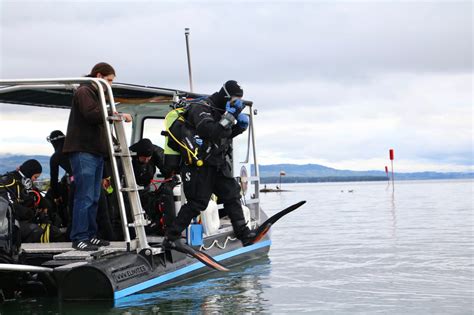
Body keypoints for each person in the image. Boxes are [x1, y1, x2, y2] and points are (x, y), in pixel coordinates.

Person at [164, 80, 255, 247]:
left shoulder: (223, 111)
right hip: (201, 164)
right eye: (235, 99)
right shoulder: (201, 108)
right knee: (197, 203)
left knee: (232, 195)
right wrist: (230, 116)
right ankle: (171, 236)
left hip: (218, 161)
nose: (237, 104)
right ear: (226, 96)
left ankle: (244, 232)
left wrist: (238, 127)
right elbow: (211, 132)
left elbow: (223, 136)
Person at [63, 62, 132, 251]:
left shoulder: (97, 95)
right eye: (109, 80)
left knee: (93, 196)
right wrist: (113, 113)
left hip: (95, 151)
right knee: (84, 196)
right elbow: (91, 115)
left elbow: (98, 120)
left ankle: (90, 234)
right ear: (99, 76)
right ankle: (79, 237)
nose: (110, 84)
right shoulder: (84, 91)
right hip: (83, 150)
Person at [0, 159, 47, 243]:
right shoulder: (8, 182)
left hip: (17, 222)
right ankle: (19, 252)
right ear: (29, 173)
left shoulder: (26, 183)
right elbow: (11, 206)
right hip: (5, 225)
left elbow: (40, 199)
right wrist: (30, 213)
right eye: (35, 177)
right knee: (35, 230)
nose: (34, 180)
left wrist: (44, 208)